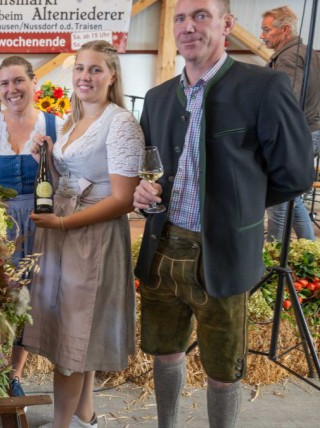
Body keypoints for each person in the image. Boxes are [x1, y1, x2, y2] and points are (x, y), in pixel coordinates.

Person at [132, 1, 314, 427]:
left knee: (222, 368)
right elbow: (154, 168)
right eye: (180, 17)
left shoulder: (262, 87)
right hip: (164, 246)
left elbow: (297, 173)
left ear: (227, 25)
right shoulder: (159, 98)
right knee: (165, 350)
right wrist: (147, 190)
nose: (188, 26)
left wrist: (241, 206)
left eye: (201, 15)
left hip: (224, 250)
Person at [22, 40, 143, 428]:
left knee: (74, 332)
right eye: (79, 69)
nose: (85, 77)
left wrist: (62, 223)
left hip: (92, 237)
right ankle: (84, 418)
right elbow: (70, 179)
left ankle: (61, 425)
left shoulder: (120, 122)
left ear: (112, 76)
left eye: (94, 69)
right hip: (64, 232)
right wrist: (47, 154)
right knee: (76, 332)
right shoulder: (73, 122)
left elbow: (123, 198)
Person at [0, 55, 63, 397]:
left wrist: (49, 161)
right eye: (4, 83)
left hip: (43, 227)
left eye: (18, 81)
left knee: (30, 305)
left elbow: (66, 183)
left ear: (34, 83)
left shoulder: (57, 125)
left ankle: (14, 374)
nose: (11, 89)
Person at [260, 5, 320, 242]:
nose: (262, 35)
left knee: (278, 194)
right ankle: (311, 250)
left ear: (285, 30)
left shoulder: (287, 57)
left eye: (267, 30)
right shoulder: (308, 53)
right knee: (292, 195)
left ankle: (273, 251)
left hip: (298, 134)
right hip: (311, 130)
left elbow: (287, 103)